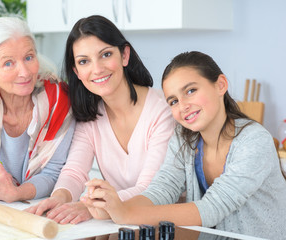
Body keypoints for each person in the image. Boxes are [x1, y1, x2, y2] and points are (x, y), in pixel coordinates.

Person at [82, 51, 286, 239]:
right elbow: (161, 190)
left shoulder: (254, 140)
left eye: (190, 91)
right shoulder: (184, 137)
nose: (183, 106)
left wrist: (126, 213)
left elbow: (212, 209)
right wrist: (112, 208)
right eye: (173, 101)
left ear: (221, 85)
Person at [25, 15, 174, 224]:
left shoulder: (162, 111)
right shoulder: (90, 114)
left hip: (164, 222)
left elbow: (150, 189)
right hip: (119, 220)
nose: (97, 69)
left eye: (105, 54)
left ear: (124, 55)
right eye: (84, 61)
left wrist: (90, 207)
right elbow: (75, 171)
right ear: (77, 72)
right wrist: (59, 198)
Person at [0, 16, 75, 203]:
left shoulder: (60, 103)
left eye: (29, 57)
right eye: (8, 63)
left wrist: (15, 193)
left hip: (43, 205)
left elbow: (54, 173)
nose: (25, 72)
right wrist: (0, 189)